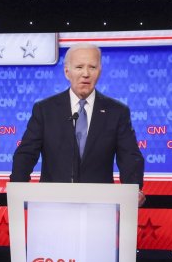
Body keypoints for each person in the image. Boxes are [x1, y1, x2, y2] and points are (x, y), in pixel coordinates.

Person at [9, 44, 145, 205]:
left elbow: (129, 156)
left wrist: (132, 189)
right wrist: (17, 189)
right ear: (67, 72)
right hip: (52, 205)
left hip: (100, 206)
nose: (85, 74)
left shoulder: (117, 112)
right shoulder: (45, 110)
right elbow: (26, 154)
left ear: (99, 71)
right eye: (79, 67)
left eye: (92, 67)